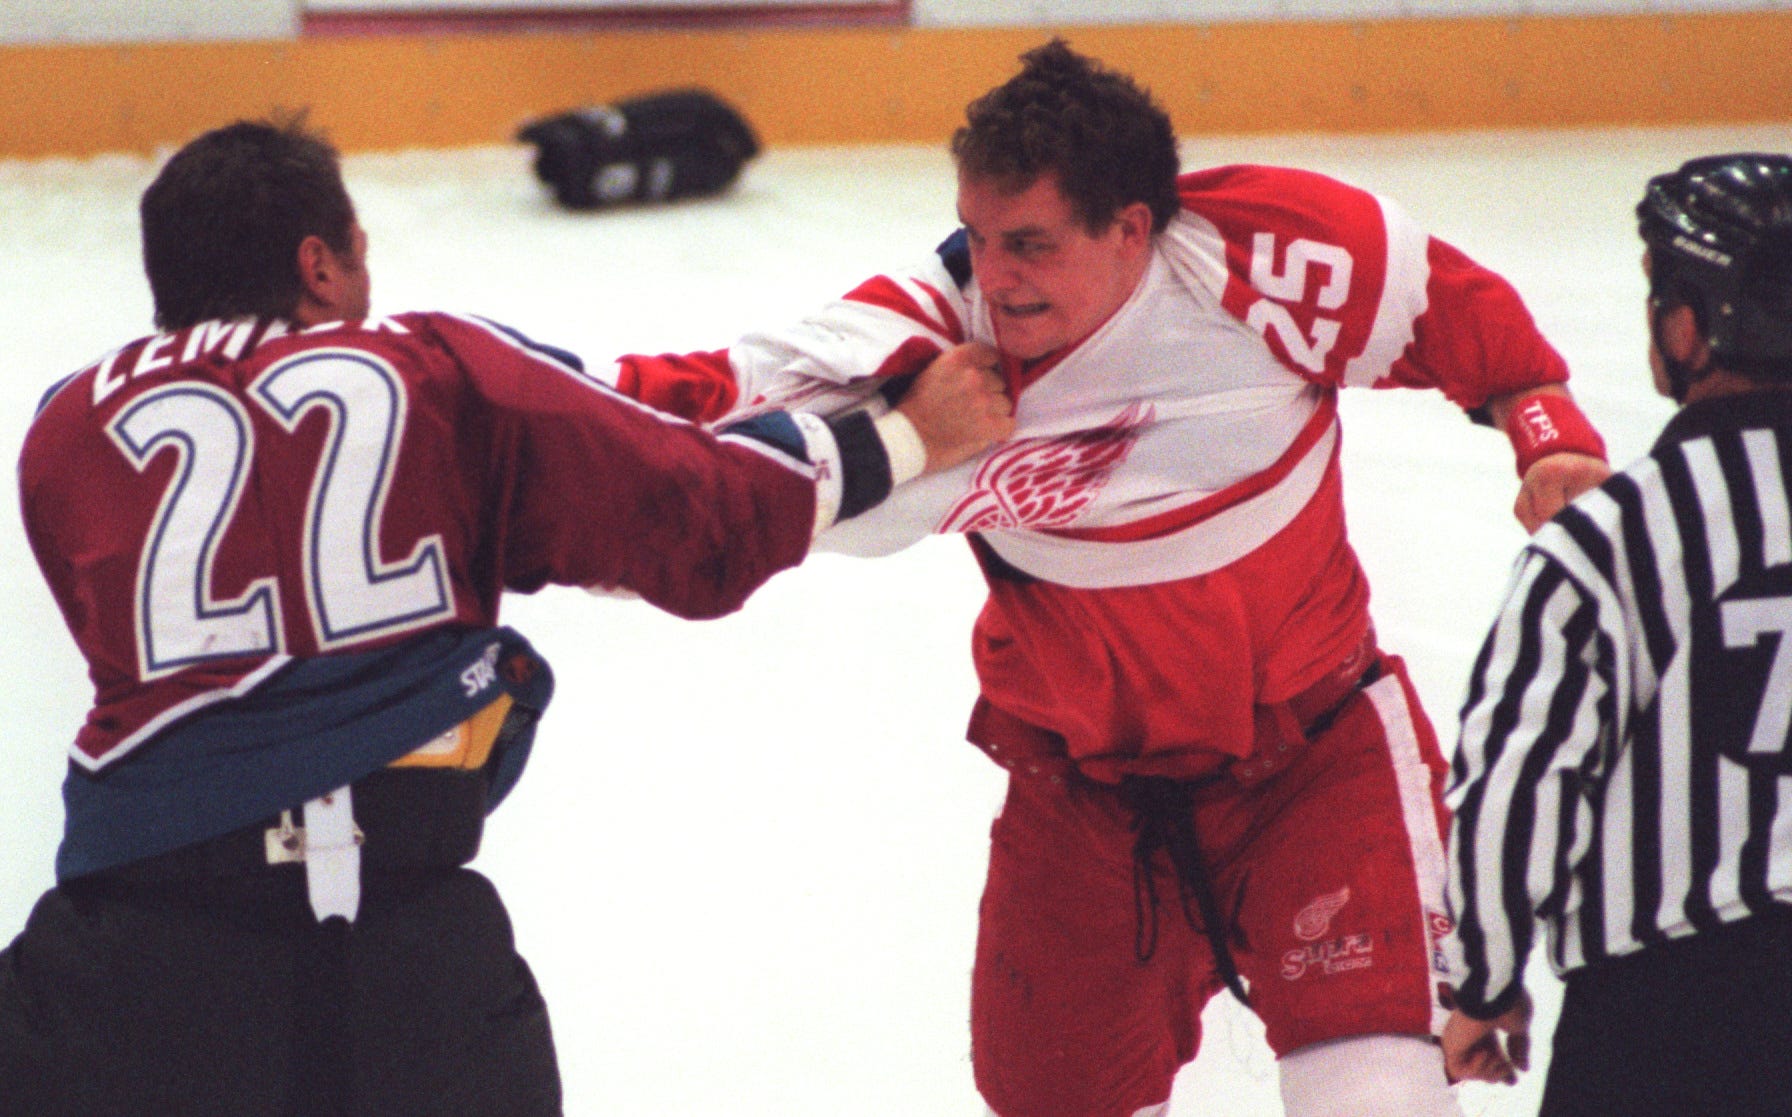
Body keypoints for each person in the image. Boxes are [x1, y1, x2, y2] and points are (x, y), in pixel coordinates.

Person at [607, 39, 1612, 1117]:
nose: (994, 276)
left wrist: (1546, 433)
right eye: (977, 236)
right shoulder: (929, 341)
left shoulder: (1267, 258)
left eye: (1030, 243)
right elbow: (708, 401)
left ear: (1132, 228)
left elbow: (1454, 315)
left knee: (1378, 1099)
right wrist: (538, 425)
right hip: (1082, 800)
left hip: (1317, 767)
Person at [0, 116, 1012, 1117]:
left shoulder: (64, 429)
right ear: (318, 265)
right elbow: (693, 510)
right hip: (405, 969)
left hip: (116, 972)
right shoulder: (432, 369)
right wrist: (906, 435)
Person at [1441, 153, 1792, 1116]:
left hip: (1667, 1023)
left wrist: (1485, 981)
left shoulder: (1610, 540)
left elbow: (1519, 780)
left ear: (1688, 327)